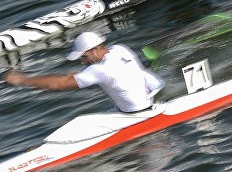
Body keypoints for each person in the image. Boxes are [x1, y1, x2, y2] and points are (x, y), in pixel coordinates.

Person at [3, 32, 164, 113]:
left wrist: (22, 80)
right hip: (148, 102)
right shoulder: (120, 49)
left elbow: (59, 84)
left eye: (84, 57)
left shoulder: (99, 70)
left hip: (135, 114)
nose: (83, 61)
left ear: (95, 49)